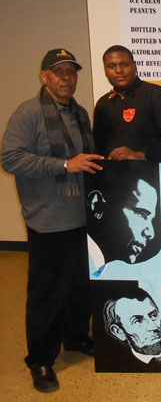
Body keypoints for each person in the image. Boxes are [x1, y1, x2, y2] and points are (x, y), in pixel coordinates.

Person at [1, 48, 103, 392]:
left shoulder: (80, 113)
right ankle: (41, 359)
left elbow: (87, 160)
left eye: (71, 72)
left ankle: (76, 338)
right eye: (59, 72)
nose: (66, 78)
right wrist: (64, 165)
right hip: (47, 221)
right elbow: (10, 158)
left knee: (80, 287)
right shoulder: (28, 113)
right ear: (44, 76)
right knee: (47, 293)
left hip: (82, 217)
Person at [93, 45, 161, 160]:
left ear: (135, 66)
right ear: (105, 71)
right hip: (112, 171)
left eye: (124, 64)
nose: (119, 70)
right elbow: (98, 146)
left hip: (151, 169)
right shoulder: (103, 104)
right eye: (111, 66)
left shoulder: (157, 95)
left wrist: (142, 155)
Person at [86, 161, 161, 277]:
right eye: (142, 215)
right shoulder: (76, 265)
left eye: (151, 220)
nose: (150, 234)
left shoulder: (101, 270)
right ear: (97, 205)